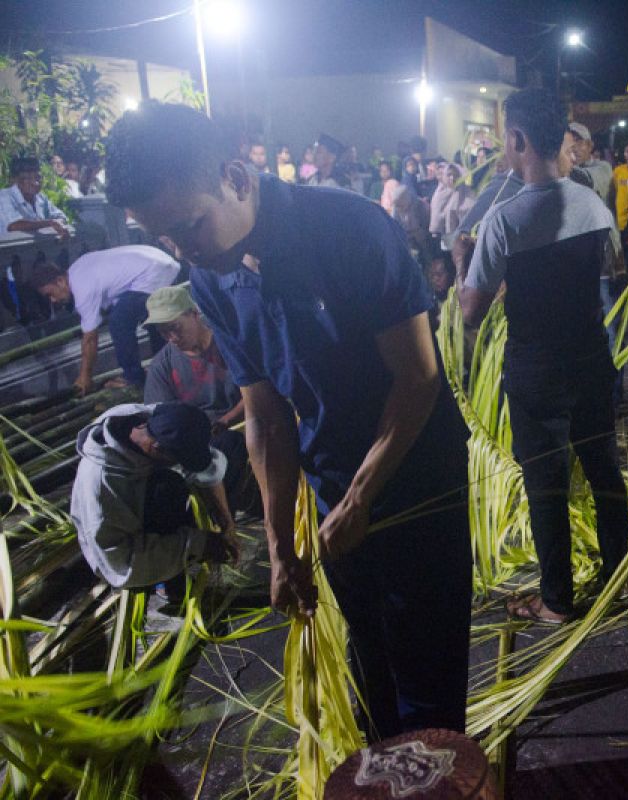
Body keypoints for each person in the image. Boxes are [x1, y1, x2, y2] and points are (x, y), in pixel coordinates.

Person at [105, 100, 472, 739]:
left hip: (414, 476)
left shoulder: (351, 229)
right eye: (164, 237)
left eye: (189, 226)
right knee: (370, 659)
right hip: (332, 481)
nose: (181, 248)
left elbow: (417, 378)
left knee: (427, 673)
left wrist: (361, 497)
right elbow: (267, 419)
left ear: (236, 179)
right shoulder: (211, 276)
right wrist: (280, 549)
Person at [457, 88, 628, 624]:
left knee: (545, 482)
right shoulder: (594, 203)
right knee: (604, 469)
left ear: (517, 139)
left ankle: (557, 599)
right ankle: (620, 579)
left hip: (536, 368)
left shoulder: (504, 220)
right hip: (593, 358)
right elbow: (610, 270)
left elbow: (470, 313)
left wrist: (464, 264)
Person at [71, 401, 237, 590]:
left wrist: (226, 520)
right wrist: (200, 544)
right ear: (157, 448)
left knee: (231, 444)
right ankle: (168, 585)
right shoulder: (102, 487)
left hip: (146, 490)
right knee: (167, 486)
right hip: (125, 555)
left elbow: (208, 469)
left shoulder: (152, 418)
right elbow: (119, 563)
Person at [142, 285, 250, 501]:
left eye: (176, 327)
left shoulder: (230, 340)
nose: (172, 337)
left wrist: (227, 420)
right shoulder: (162, 366)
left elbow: (260, 391)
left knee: (229, 444)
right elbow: (164, 419)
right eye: (164, 332)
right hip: (198, 443)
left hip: (246, 425)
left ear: (194, 314)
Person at [31, 245, 179, 391]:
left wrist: (84, 377)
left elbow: (90, 339)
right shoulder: (77, 270)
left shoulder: (81, 289)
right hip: (160, 261)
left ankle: (134, 379)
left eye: (50, 294)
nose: (53, 300)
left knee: (118, 322)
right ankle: (165, 365)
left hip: (152, 272)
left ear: (60, 281)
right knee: (149, 318)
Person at [2, 157, 70, 238]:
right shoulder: (4, 196)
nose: (35, 183)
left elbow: (61, 216)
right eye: (28, 178)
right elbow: (13, 226)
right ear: (14, 180)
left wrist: (57, 223)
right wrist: (50, 223)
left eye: (38, 177)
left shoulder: (40, 197)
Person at [429, 162, 474, 251]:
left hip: (464, 240)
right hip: (444, 236)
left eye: (455, 175)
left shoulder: (466, 193)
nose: (452, 178)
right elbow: (436, 216)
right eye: (448, 175)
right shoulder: (441, 193)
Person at [568, 122, 613, 201]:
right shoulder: (566, 169)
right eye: (568, 142)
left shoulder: (603, 167)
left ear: (590, 145)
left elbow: (583, 178)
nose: (573, 148)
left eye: (578, 141)